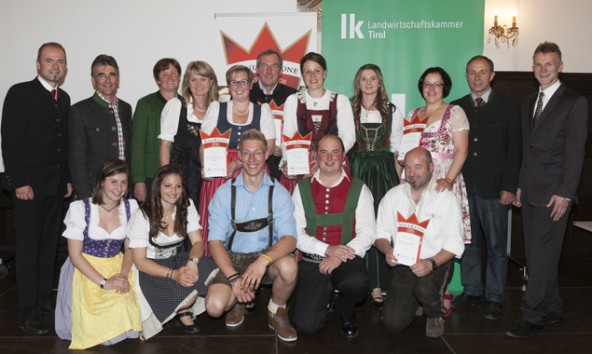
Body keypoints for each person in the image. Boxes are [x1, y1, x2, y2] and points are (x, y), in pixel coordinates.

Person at [505, 42, 588, 338]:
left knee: (540, 257)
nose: (542, 70)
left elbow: (575, 152)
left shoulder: (574, 102)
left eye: (548, 64)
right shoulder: (529, 100)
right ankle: (551, 308)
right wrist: (518, 184)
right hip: (529, 192)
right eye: (538, 64)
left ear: (560, 66)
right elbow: (526, 150)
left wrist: (566, 193)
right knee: (539, 255)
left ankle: (532, 316)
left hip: (554, 195)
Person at [1, 42, 73, 334]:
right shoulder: (20, 93)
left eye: (60, 62)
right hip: (28, 188)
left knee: (47, 251)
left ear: (66, 67)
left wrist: (66, 178)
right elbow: (11, 139)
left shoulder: (64, 97)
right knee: (28, 252)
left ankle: (43, 301)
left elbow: (63, 145)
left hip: (55, 188)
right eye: (49, 61)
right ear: (38, 64)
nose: (54, 66)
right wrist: (19, 182)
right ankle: (27, 312)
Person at [204, 129, 298, 342]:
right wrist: (235, 279)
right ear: (239, 155)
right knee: (214, 307)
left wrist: (263, 261)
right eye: (247, 153)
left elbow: (290, 239)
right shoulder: (223, 193)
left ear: (266, 155)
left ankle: (276, 310)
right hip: (233, 260)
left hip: (267, 258)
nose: (252, 159)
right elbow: (215, 242)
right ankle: (237, 300)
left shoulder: (280, 192)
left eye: (258, 153)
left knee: (289, 266)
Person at [451, 56, 522, 320]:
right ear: (466, 76)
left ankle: (495, 296)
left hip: (495, 189)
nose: (477, 77)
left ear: (492, 75)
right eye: (472, 72)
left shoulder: (507, 105)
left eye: (483, 72)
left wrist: (509, 186)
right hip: (464, 188)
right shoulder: (456, 107)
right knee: (469, 243)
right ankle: (472, 290)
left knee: (495, 245)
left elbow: (515, 149)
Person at [399, 67, 470, 315]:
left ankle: (442, 291)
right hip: (415, 181)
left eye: (437, 84)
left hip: (441, 180)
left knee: (442, 235)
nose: (431, 89)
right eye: (427, 84)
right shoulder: (413, 113)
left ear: (444, 87)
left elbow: (461, 150)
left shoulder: (455, 113)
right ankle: (421, 293)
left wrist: (449, 180)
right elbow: (405, 150)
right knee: (418, 234)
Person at [291, 134, 375, 337]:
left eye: (335, 152)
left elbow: (368, 232)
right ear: (316, 156)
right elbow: (296, 233)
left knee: (356, 283)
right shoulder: (301, 189)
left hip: (346, 258)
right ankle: (325, 296)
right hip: (312, 261)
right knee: (306, 326)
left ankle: (347, 310)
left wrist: (338, 256)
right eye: (324, 152)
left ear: (343, 155)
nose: (329, 158)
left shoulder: (359, 188)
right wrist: (326, 249)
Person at [376, 147, 465, 338]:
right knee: (392, 323)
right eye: (407, 168)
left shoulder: (446, 199)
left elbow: (455, 244)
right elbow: (380, 235)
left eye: (418, 167)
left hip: (435, 262)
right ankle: (417, 300)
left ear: (431, 168)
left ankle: (435, 312)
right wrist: (387, 250)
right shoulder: (392, 196)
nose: (411, 173)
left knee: (425, 287)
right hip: (403, 263)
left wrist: (430, 263)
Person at [55, 159, 141, 349]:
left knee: (122, 303)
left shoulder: (130, 208)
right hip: (85, 267)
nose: (119, 188)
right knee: (98, 316)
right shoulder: (80, 208)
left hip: (118, 264)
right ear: (102, 181)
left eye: (124, 182)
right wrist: (104, 282)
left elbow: (130, 249)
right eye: (114, 181)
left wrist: (123, 275)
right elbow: (75, 255)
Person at [127, 164, 217, 339]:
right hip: (152, 269)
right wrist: (174, 275)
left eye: (178, 186)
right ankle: (183, 308)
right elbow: (140, 262)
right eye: (167, 186)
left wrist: (193, 263)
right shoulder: (143, 215)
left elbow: (198, 242)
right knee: (184, 290)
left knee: (211, 267)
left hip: (177, 260)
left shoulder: (187, 205)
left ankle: (182, 307)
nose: (173, 191)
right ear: (158, 187)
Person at [199, 65, 275, 252]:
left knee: (251, 220)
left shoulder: (262, 110)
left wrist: (240, 163)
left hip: (253, 169)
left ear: (251, 84)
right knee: (219, 220)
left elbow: (269, 148)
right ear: (228, 85)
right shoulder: (217, 108)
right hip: (220, 172)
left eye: (243, 81)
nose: (239, 86)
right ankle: (215, 265)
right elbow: (204, 143)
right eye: (234, 82)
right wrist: (205, 167)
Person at [348, 63, 404, 307]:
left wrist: (399, 181)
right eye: (363, 79)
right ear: (358, 83)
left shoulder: (392, 111)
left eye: (373, 78)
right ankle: (366, 282)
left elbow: (397, 150)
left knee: (383, 225)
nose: (368, 83)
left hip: (383, 170)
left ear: (380, 82)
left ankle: (384, 283)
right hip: (357, 168)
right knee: (359, 224)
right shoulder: (348, 109)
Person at [281, 52, 355, 193]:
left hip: (332, 164)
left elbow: (349, 137)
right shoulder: (293, 100)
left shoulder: (341, 100)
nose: (312, 76)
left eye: (317, 71)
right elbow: (288, 135)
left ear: (324, 73)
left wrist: (326, 158)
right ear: (302, 75)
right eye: (307, 71)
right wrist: (288, 161)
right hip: (301, 166)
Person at [69, 54, 132, 199]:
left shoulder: (126, 108)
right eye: (102, 75)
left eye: (112, 75)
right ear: (93, 80)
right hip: (94, 190)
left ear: (118, 79)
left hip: (123, 191)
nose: (108, 80)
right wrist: (85, 195)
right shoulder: (80, 110)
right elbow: (77, 158)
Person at [159, 61, 219, 207]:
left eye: (203, 79)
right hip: (182, 173)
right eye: (193, 79)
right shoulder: (176, 106)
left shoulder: (218, 108)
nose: (198, 84)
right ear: (187, 83)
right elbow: (165, 145)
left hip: (211, 173)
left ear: (211, 82)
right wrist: (167, 178)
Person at [131, 58, 182, 203]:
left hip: (179, 177)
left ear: (179, 77)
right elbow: (137, 145)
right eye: (164, 74)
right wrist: (139, 180)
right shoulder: (145, 104)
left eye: (174, 73)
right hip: (151, 175)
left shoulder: (186, 105)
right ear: (157, 80)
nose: (170, 78)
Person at [250, 49, 298, 180]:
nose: (269, 71)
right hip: (252, 163)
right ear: (257, 70)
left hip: (284, 165)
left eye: (274, 66)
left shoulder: (293, 96)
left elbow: (299, 130)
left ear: (281, 71)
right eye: (264, 66)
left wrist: (285, 146)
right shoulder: (245, 94)